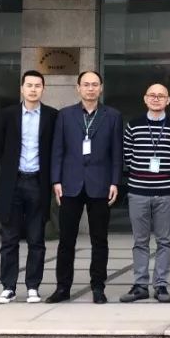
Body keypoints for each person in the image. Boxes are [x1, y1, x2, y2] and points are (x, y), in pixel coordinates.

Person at [48, 70, 123, 304]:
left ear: (101, 88)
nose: (90, 88)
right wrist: (56, 181)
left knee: (99, 240)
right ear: (78, 88)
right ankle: (62, 288)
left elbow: (117, 153)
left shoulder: (113, 116)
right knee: (66, 240)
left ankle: (98, 287)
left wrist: (115, 181)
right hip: (70, 184)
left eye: (95, 84)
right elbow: (57, 150)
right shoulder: (65, 115)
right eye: (86, 84)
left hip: (101, 184)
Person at [0, 70, 58, 305]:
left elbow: (55, 149)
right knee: (9, 238)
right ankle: (8, 287)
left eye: (37, 85)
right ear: (21, 88)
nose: (33, 89)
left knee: (36, 239)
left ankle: (33, 286)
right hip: (14, 183)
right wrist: (10, 170)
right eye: (29, 85)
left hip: (38, 183)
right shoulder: (8, 114)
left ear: (43, 89)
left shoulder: (52, 116)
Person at [119, 83, 170, 304]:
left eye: (161, 96)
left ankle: (161, 285)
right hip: (138, 192)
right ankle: (140, 285)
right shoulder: (133, 126)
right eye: (152, 95)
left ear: (168, 100)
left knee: (164, 241)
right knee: (140, 241)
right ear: (145, 99)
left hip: (166, 193)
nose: (156, 99)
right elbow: (127, 156)